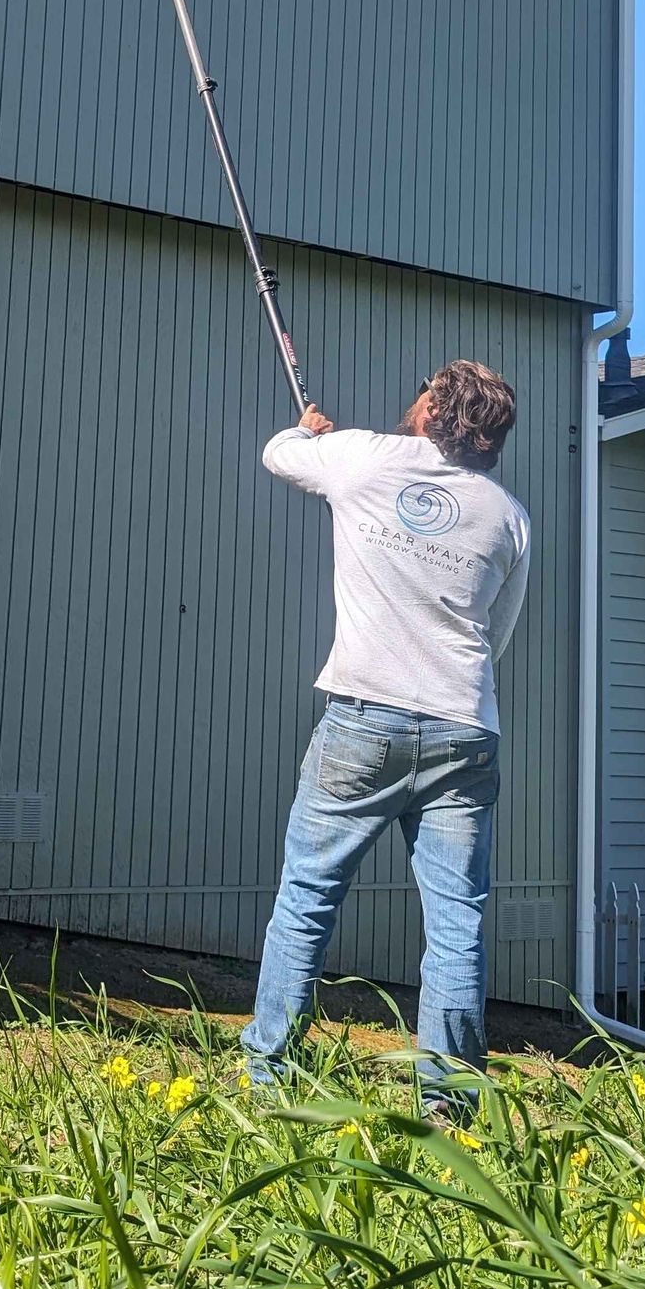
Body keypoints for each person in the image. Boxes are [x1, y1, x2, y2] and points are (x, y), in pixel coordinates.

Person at [242, 359, 531, 1110]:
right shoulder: (508, 516)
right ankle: (451, 1107)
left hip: (363, 719)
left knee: (307, 897)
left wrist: (307, 432)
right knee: (457, 921)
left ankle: (269, 1079)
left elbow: (279, 455)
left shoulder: (363, 457)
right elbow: (494, 634)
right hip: (463, 726)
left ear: (434, 411)